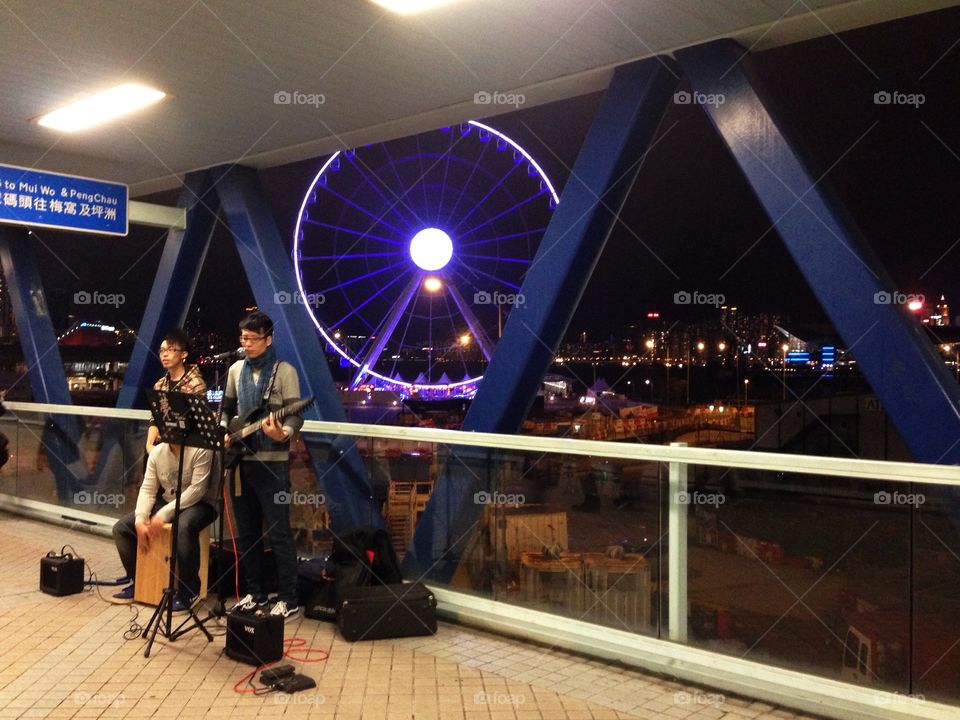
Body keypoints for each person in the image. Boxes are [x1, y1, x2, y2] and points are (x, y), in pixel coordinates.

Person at [222, 311, 303, 619]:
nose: (247, 344)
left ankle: (288, 598)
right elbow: (226, 409)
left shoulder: (284, 372)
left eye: (253, 339)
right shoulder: (234, 370)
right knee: (246, 534)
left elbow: (296, 413)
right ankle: (255, 594)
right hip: (241, 464)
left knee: (279, 533)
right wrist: (223, 430)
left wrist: (283, 432)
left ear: (268, 339)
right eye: (243, 338)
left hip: (273, 465)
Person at [111, 442, 217, 609]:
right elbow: (148, 489)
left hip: (201, 504)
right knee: (122, 529)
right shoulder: (158, 452)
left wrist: (162, 515)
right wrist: (140, 519)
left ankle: (189, 591)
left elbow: (197, 490)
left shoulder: (201, 449)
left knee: (182, 527)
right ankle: (138, 582)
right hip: (169, 503)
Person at [145, 327, 206, 455]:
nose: (165, 354)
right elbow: (155, 418)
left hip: (188, 450)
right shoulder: (160, 384)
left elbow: (199, 423)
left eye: (171, 350)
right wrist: (149, 445)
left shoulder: (195, 384)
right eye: (162, 351)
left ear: (184, 354)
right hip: (163, 448)